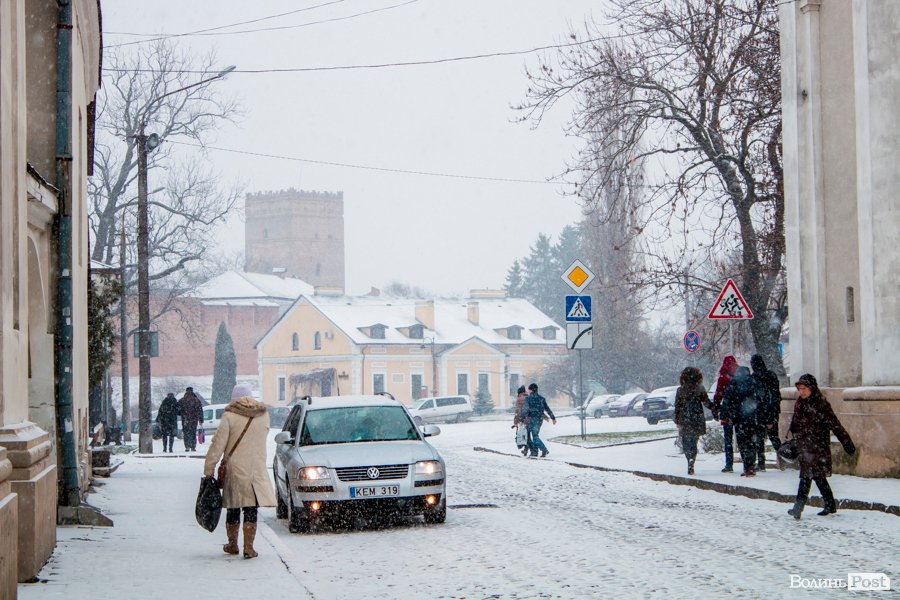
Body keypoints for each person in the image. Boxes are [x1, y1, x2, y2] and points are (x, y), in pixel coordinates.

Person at [203, 384, 276, 558]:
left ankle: (233, 544)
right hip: (256, 469)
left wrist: (209, 468)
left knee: (234, 507)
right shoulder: (263, 415)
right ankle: (249, 547)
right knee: (251, 507)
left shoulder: (229, 416)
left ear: (233, 399)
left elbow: (217, 445)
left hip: (235, 469)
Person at [787, 374, 855, 520]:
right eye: (800, 389)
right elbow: (796, 422)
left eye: (804, 388)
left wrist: (847, 443)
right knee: (818, 477)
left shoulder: (821, 404)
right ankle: (830, 504)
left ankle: (798, 508)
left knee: (806, 477)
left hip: (817, 446)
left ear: (812, 388)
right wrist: (794, 427)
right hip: (804, 446)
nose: (802, 391)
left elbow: (835, 425)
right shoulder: (800, 403)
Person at [721, 366, 762, 477]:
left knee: (742, 443)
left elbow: (727, 399)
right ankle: (751, 465)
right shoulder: (753, 382)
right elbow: (760, 398)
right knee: (752, 442)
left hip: (739, 418)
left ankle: (747, 466)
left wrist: (724, 415)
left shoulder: (734, 382)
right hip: (752, 418)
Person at [673, 367, 712, 475]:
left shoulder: (680, 390)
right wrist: (716, 408)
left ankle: (689, 458)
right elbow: (707, 402)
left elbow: (677, 406)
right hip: (697, 419)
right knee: (694, 441)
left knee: (686, 442)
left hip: (685, 419)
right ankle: (692, 460)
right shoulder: (700, 389)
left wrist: (677, 420)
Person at [750, 354, 782, 471]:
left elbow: (761, 397)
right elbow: (775, 396)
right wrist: (772, 415)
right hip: (770, 411)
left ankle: (761, 463)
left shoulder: (755, 377)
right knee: (774, 437)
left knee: (759, 439)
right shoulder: (771, 375)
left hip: (760, 413)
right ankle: (783, 460)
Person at [712, 355, 738, 472]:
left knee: (728, 439)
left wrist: (716, 409)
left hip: (727, 411)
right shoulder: (739, 377)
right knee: (742, 438)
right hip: (739, 411)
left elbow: (718, 395)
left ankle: (729, 464)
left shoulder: (723, 378)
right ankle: (748, 464)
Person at [519, 383, 556, 458]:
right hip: (540, 419)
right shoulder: (541, 398)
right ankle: (535, 451)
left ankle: (543, 450)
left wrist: (522, 419)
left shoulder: (528, 399)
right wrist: (553, 418)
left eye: (529, 389)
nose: (528, 390)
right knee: (535, 435)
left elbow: (525, 409)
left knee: (533, 436)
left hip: (532, 419)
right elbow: (547, 408)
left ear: (531, 390)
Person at [178, 387, 204, 452]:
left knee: (186, 433)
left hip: (185, 420)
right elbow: (200, 410)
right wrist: (201, 420)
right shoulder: (196, 400)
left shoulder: (182, 400)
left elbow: (178, 411)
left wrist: (183, 414)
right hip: (194, 419)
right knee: (193, 433)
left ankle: (187, 446)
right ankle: (193, 446)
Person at [511, 385, 531, 456]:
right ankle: (527, 449)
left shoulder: (519, 399)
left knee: (519, 435)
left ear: (519, 392)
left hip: (521, 420)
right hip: (529, 419)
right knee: (527, 436)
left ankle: (522, 446)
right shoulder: (529, 398)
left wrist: (516, 422)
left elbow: (517, 411)